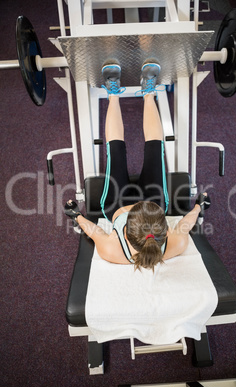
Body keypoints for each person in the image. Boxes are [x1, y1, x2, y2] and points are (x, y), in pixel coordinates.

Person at [65, 62, 211, 271]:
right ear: (165, 230)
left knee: (115, 152)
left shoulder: (112, 250)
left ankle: (113, 92)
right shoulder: (176, 243)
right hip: (154, 200)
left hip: (116, 204)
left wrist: (75, 215)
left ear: (123, 233)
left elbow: (94, 231)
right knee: (155, 150)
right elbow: (185, 225)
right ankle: (148, 92)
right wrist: (199, 207)